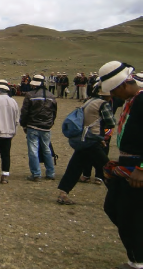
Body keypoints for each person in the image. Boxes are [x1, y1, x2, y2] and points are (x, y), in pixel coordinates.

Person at [99, 61, 143, 269]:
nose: (113, 97)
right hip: (128, 163)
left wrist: (141, 168)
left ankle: (137, 261)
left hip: (137, 169)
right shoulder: (132, 100)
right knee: (114, 208)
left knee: (129, 214)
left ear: (123, 85)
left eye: (114, 91)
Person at [56, 81, 115, 205]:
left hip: (84, 138)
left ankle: (63, 193)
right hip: (92, 139)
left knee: (75, 166)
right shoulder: (103, 104)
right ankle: (120, 195)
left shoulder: (89, 101)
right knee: (106, 167)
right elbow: (111, 122)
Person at [20, 75, 57, 181]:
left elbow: (25, 112)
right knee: (47, 149)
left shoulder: (30, 95)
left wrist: (23, 124)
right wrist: (50, 123)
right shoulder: (51, 95)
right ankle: (51, 172)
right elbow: (54, 112)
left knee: (33, 150)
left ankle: (36, 174)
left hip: (32, 126)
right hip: (46, 127)